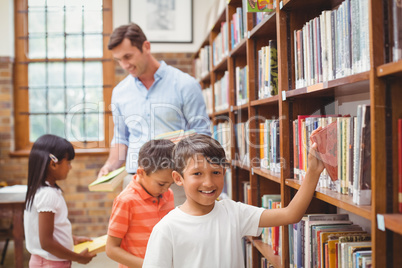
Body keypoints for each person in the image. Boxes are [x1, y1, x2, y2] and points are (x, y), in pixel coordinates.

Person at [143, 133, 325, 268]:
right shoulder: (166, 229)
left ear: (224, 172)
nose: (208, 182)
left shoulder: (233, 212)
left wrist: (313, 172)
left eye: (216, 172)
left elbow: (290, 214)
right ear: (178, 178)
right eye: (197, 174)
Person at [97, 23, 211, 205]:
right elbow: (121, 138)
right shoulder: (120, 92)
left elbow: (202, 134)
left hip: (176, 181)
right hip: (135, 181)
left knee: (180, 233)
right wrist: (110, 166)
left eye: (128, 56)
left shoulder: (185, 85)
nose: (125, 65)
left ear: (146, 47)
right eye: (119, 60)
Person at [24, 134, 96, 267]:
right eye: (68, 162)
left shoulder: (40, 190)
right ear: (53, 164)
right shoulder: (48, 195)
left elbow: (49, 230)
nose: (70, 167)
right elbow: (46, 242)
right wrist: (78, 258)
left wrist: (72, 239)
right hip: (49, 263)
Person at [106, 139, 176, 268]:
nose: (166, 189)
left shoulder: (168, 194)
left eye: (170, 183)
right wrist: (148, 265)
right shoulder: (126, 201)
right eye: (161, 184)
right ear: (141, 173)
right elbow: (111, 249)